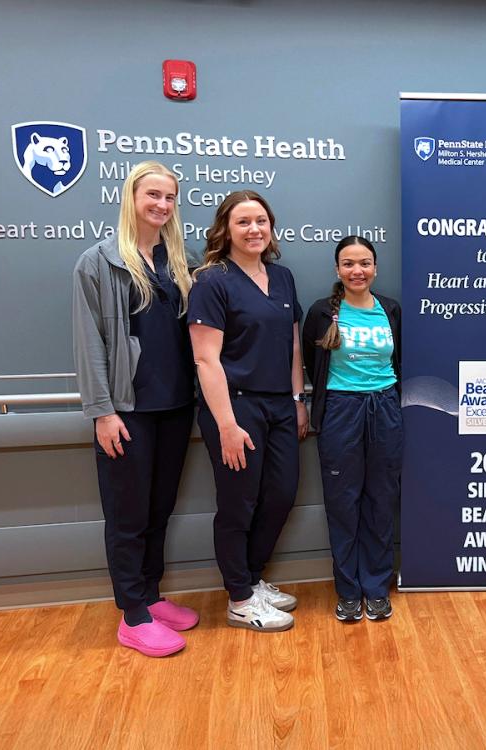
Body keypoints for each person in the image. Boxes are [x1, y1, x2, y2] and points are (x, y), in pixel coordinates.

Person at [72, 160, 198, 657]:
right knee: (126, 515)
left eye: (169, 197)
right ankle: (132, 614)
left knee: (158, 510)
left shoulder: (179, 263)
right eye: (152, 195)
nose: (161, 205)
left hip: (174, 407)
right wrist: (102, 411)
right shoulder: (98, 262)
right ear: (131, 197)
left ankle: (150, 593)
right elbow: (90, 345)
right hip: (126, 412)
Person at [188, 190, 308, 633]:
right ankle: (239, 598)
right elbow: (206, 359)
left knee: (280, 494)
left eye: (261, 220)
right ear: (225, 229)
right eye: (243, 222)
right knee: (239, 503)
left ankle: (253, 578)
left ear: (271, 227)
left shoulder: (283, 277)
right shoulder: (211, 280)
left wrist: (297, 400)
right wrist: (226, 425)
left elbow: (293, 343)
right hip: (235, 407)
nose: (254, 229)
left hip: (279, 403)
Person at [302, 237, 402, 623]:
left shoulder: (390, 310)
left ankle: (376, 588)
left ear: (376, 267)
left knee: (381, 500)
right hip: (341, 411)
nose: (356, 271)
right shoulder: (321, 313)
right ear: (337, 270)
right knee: (343, 504)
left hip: (386, 408)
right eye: (348, 264)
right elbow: (313, 364)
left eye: (364, 263)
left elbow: (402, 359)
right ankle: (347, 590)